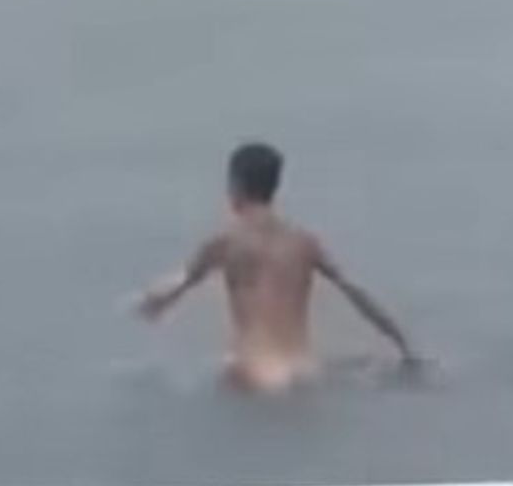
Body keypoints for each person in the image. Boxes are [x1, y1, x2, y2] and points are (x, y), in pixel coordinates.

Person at [135, 142, 421, 392]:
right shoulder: (305, 242)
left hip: (252, 372)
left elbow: (177, 287)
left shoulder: (225, 243)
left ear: (235, 186)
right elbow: (356, 293)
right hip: (303, 371)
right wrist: (403, 344)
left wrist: (150, 304)